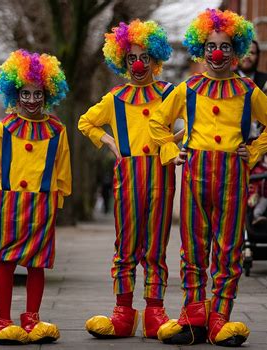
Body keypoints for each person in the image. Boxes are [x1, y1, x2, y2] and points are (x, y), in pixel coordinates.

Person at [149, 9, 267, 346]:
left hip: (233, 176)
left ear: (236, 50)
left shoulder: (247, 90)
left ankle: (220, 317)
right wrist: (171, 151)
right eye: (211, 46)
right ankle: (194, 315)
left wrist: (253, 152)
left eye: (225, 47)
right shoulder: (187, 89)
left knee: (229, 249)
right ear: (201, 48)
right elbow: (157, 123)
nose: (217, 53)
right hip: (196, 173)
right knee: (193, 248)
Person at [78, 19, 183, 340]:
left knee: (155, 245)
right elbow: (86, 123)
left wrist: (175, 140)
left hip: (160, 172)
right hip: (127, 174)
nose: (138, 65)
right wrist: (111, 142)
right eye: (130, 59)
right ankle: (123, 311)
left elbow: (197, 120)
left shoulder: (169, 93)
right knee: (125, 244)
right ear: (122, 61)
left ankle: (154, 311)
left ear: (155, 59)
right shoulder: (115, 98)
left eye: (144, 58)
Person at [0, 49, 71, 345]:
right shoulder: (5, 128)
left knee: (37, 264)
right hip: (11, 203)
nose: (32, 100)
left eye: (38, 94)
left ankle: (31, 316)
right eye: (25, 93)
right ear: (15, 93)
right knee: (6, 262)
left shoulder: (57, 130)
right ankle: (3, 319)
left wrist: (56, 202)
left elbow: (62, 168)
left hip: (42, 204)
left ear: (47, 94)